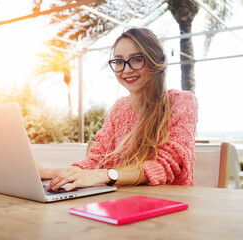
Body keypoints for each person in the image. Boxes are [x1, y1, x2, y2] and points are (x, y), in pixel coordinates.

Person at [38, 28, 198, 192]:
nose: (126, 70)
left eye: (136, 59)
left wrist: (106, 175)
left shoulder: (181, 101)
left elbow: (165, 165)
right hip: (124, 201)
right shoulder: (119, 108)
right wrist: (60, 173)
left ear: (155, 61)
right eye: (119, 62)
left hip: (171, 204)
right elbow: (97, 159)